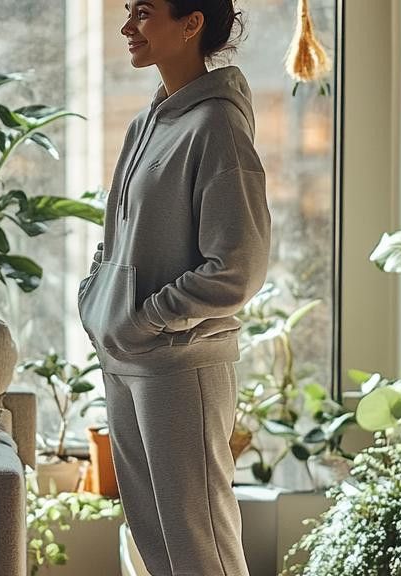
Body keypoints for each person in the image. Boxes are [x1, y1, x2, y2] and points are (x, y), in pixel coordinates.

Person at [76, 1, 270, 574]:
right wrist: (98, 300)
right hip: (126, 360)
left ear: (191, 24)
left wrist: (146, 318)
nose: (127, 26)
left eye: (143, 12)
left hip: (181, 367)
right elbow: (118, 237)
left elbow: (237, 267)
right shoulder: (145, 124)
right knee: (157, 546)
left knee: (200, 547)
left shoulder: (218, 126)